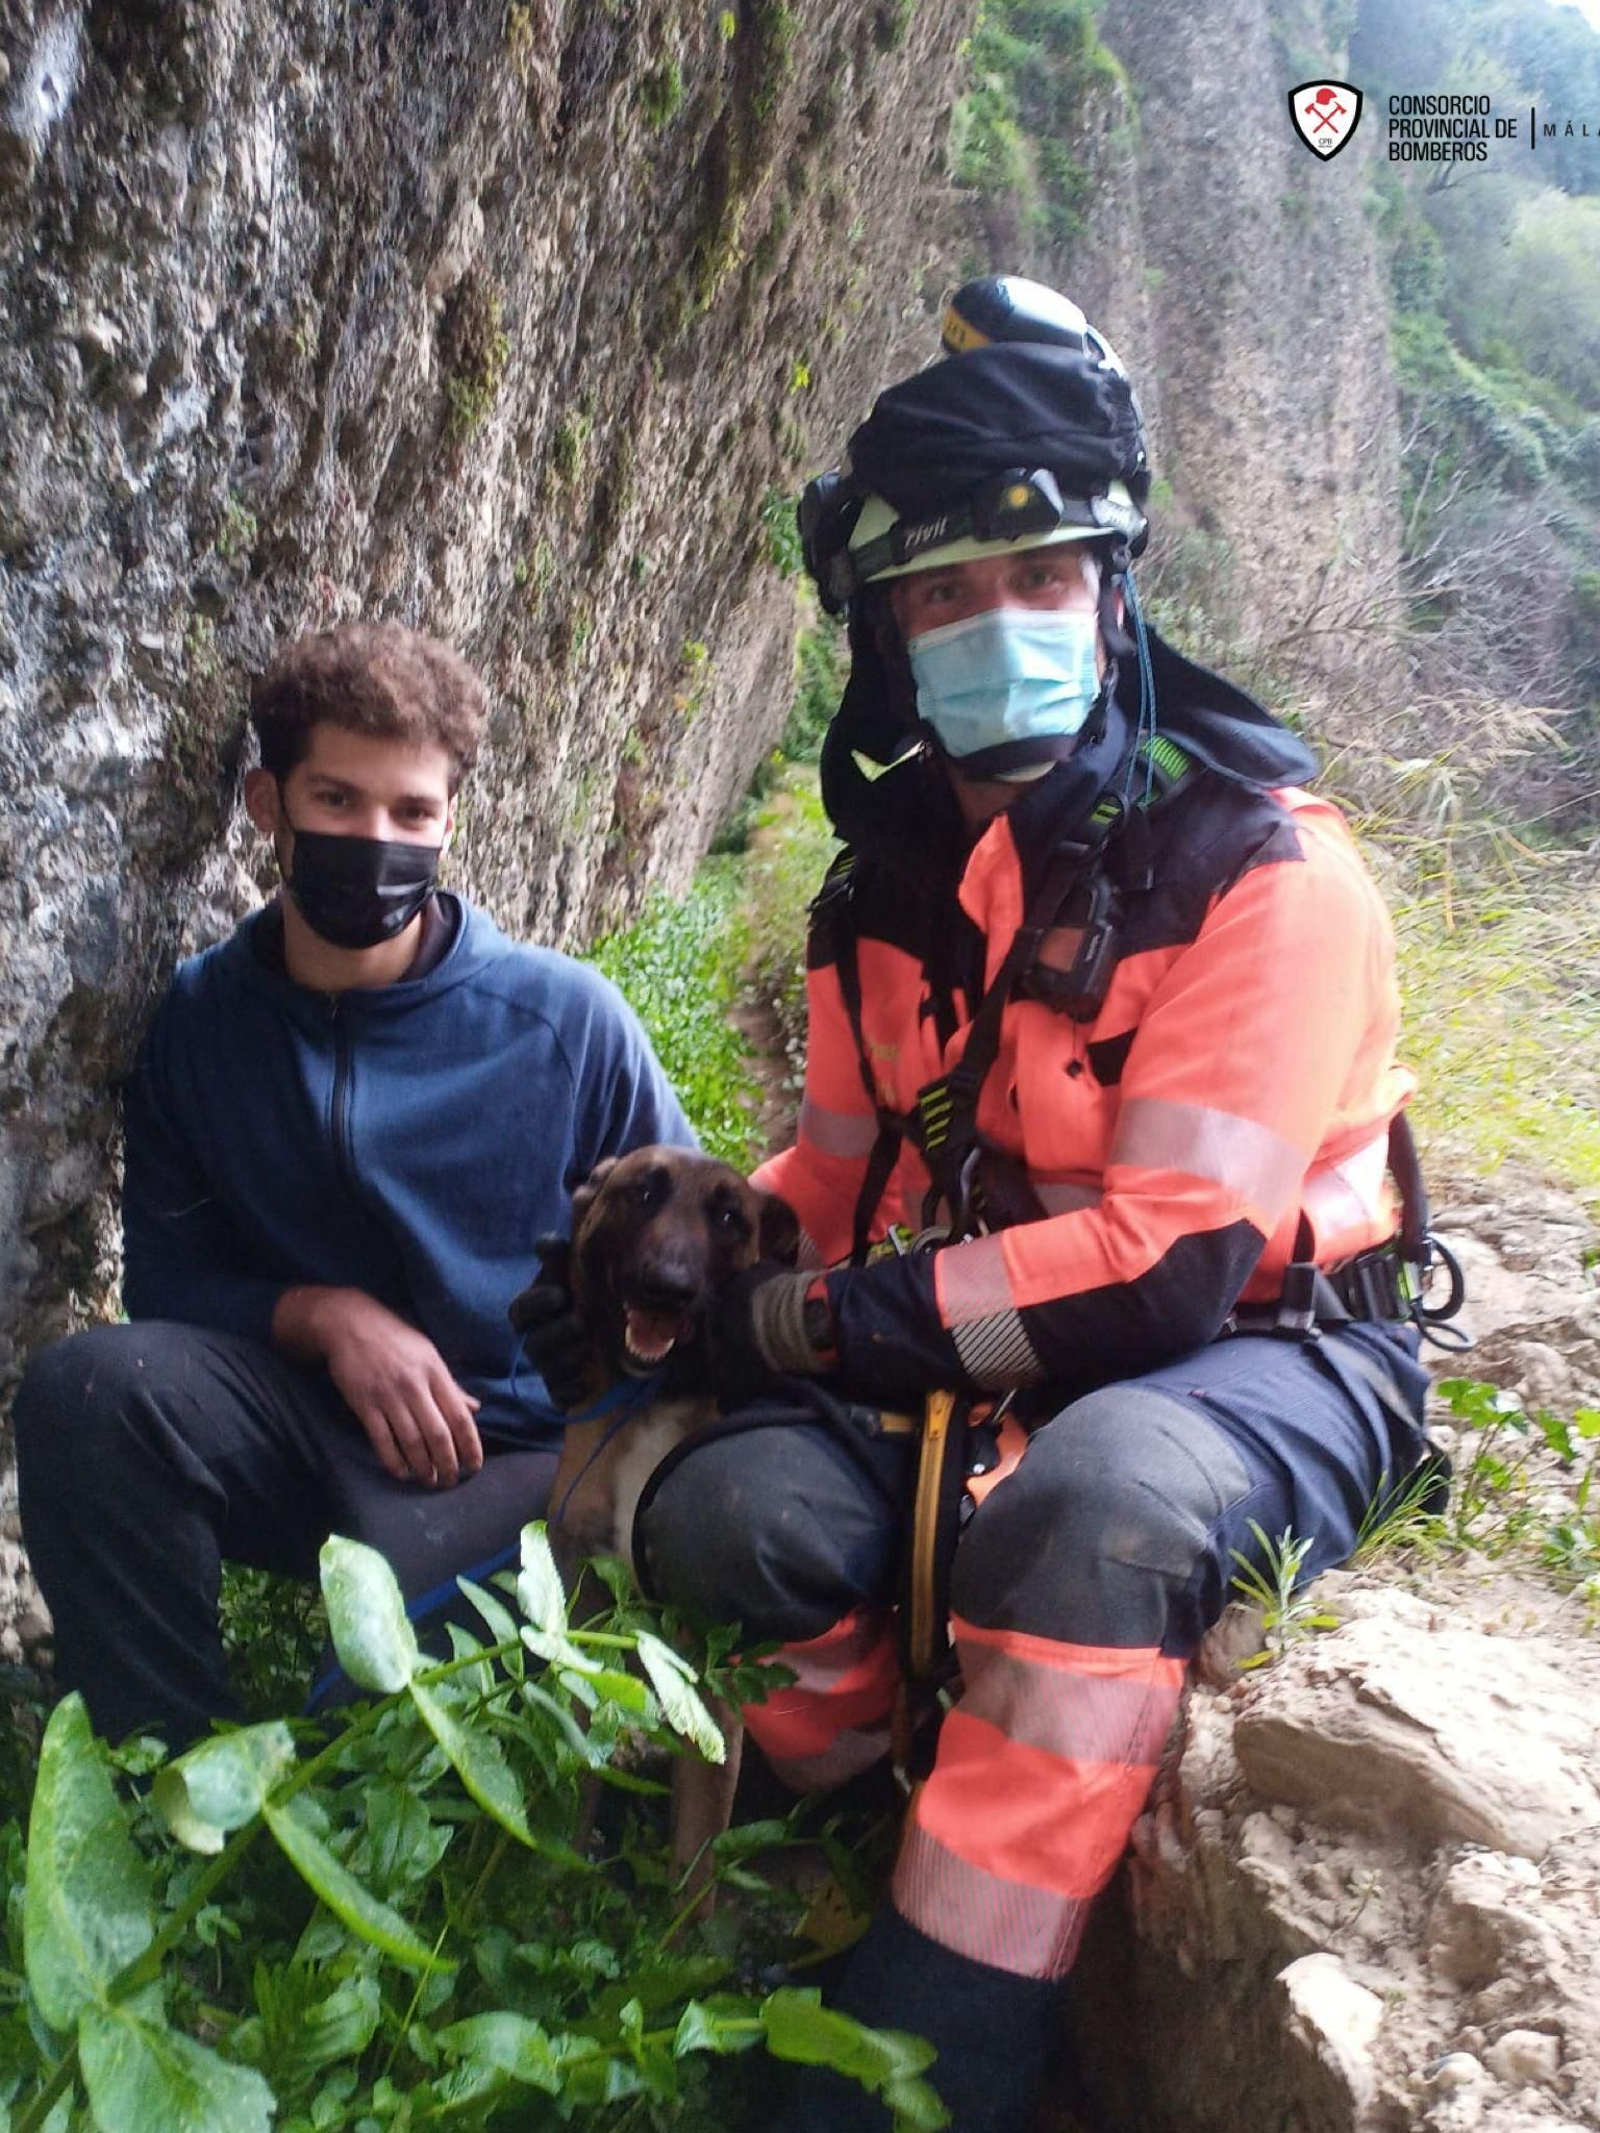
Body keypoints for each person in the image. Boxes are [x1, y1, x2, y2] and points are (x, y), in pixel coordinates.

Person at [611, 282, 1441, 2130]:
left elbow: (1166, 1270)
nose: (996, 628)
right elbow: (837, 1175)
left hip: (1267, 1352)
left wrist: (823, 1324)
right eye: (942, 596)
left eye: (1039, 582)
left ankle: (935, 2038)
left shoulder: (1262, 873)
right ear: (888, 640)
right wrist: (702, 1251)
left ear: (1113, 593)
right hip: (995, 1346)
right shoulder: (885, 894)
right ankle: (827, 1827)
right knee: (735, 1509)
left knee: (1091, 1508)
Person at [15, 620, 692, 1748]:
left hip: (514, 1453)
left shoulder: (566, 1025)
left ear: (450, 822)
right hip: (302, 1431)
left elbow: (688, 1267)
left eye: (411, 813)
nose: (375, 839)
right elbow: (170, 1282)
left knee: (377, 1734)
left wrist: (595, 1450)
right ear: (264, 803)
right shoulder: (201, 1021)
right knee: (89, 1391)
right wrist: (326, 1317)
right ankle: (170, 1778)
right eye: (336, 801)